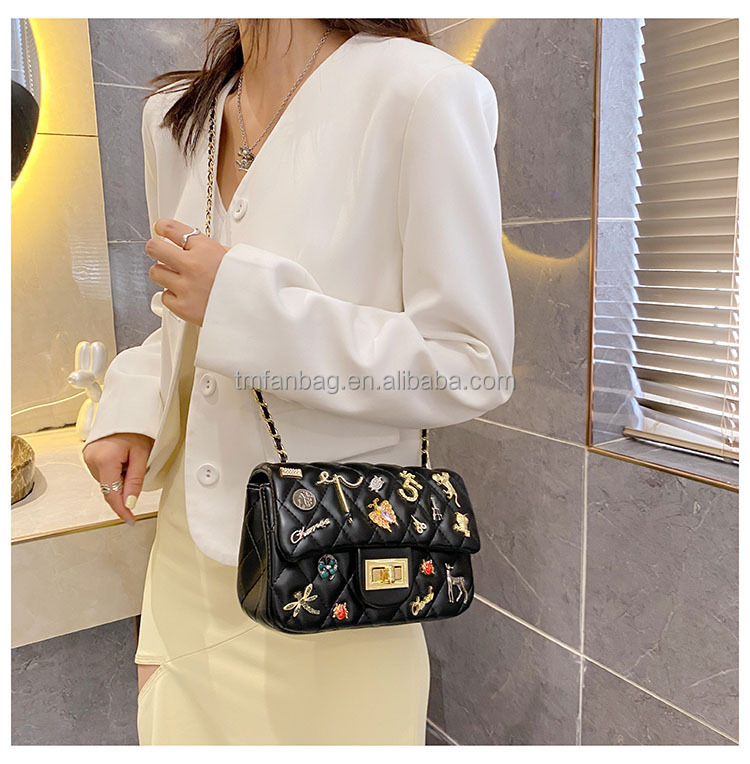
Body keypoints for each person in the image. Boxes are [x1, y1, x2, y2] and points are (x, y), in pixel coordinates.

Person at [82, 18, 514, 745]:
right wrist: (132, 406)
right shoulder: (174, 117)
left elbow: (471, 361)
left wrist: (246, 306)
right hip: (187, 576)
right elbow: (182, 321)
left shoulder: (424, 93)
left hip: (336, 579)